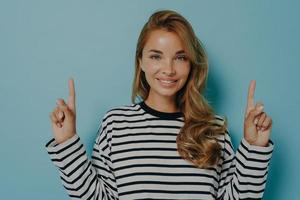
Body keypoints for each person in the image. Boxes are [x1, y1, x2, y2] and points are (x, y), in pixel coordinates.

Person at [46, 10, 274, 200]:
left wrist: (255, 148)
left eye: (180, 57)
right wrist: (67, 142)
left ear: (191, 64)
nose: (169, 69)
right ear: (141, 62)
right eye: (156, 56)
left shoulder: (212, 129)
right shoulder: (116, 124)